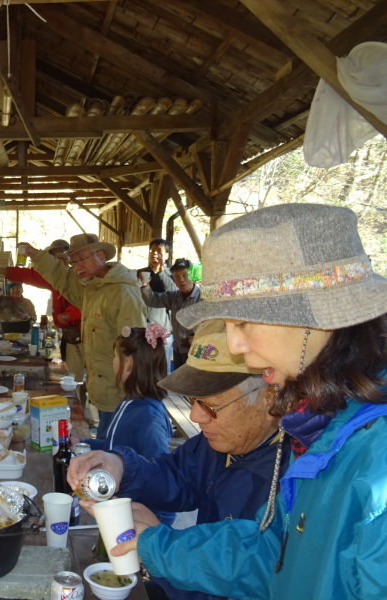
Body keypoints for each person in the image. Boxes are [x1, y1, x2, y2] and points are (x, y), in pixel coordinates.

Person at [95, 204, 387, 600]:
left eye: (244, 323)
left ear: (317, 315)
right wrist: (155, 542)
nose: (233, 344)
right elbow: (279, 557)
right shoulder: (321, 423)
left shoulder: (372, 456)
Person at [70, 319, 283, 600]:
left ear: (270, 398)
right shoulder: (214, 444)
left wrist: (162, 546)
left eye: (211, 405)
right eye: (192, 400)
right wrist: (121, 466)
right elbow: (176, 476)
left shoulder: (295, 476)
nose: (196, 416)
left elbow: (260, 570)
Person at [22, 233, 146, 439]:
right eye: (73, 261)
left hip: (120, 393)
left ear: (101, 256)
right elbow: (61, 276)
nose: (77, 266)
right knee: (105, 444)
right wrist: (36, 255)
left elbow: (135, 345)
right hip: (103, 389)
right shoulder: (93, 287)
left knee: (114, 449)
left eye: (82, 259)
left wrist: (130, 388)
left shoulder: (122, 291)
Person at [76, 323, 175, 526]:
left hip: (137, 519)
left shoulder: (148, 417)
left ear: (128, 364)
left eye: (115, 357)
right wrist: (82, 445)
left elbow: (161, 476)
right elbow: (113, 447)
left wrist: (155, 525)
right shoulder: (129, 401)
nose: (113, 362)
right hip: (119, 506)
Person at [0, 239, 84, 379]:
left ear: (70, 257)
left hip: (84, 332)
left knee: (84, 374)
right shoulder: (57, 278)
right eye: (52, 257)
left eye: (59, 256)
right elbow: (32, 276)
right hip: (70, 333)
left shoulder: (80, 276)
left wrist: (67, 316)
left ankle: (79, 395)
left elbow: (90, 303)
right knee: (73, 373)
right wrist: (3, 271)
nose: (56, 259)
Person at [140, 258, 201, 369]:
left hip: (196, 351)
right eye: (177, 277)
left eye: (185, 275)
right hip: (178, 349)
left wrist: (196, 336)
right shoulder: (174, 296)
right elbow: (152, 300)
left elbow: (211, 323)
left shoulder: (202, 297)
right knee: (179, 382)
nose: (181, 279)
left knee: (193, 382)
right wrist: (145, 286)